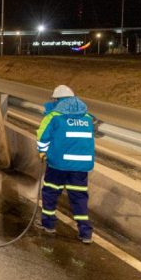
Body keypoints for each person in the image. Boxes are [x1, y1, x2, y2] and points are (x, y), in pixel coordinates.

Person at [36, 85, 95, 243]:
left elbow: (42, 136)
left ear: (57, 100)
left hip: (58, 164)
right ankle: (85, 233)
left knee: (50, 193)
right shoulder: (88, 118)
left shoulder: (54, 116)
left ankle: (48, 224)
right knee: (79, 197)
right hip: (80, 167)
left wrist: (42, 152)